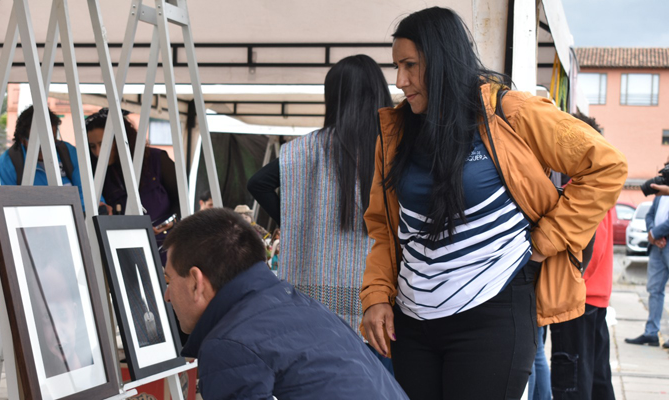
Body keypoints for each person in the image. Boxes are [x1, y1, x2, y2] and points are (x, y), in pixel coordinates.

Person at [360, 7, 627, 399]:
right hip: (412, 322)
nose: (400, 81)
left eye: (411, 65)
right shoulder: (397, 132)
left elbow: (606, 166)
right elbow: (384, 227)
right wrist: (376, 296)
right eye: (397, 66)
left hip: (492, 316)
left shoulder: (509, 112)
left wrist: (546, 239)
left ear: (442, 59)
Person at [161, 208, 408, 400]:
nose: (167, 295)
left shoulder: (228, 346)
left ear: (196, 282)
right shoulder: (299, 305)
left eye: (169, 279)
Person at [247, 55, 393, 351]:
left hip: (317, 308)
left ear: (334, 98)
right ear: (379, 92)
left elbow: (257, 184)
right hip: (380, 299)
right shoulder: (394, 146)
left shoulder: (306, 149)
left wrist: (293, 221)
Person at [547, 114, 616, 399]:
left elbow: (593, 247)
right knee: (595, 378)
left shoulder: (582, 187)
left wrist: (566, 283)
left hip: (578, 299)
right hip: (594, 297)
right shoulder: (601, 184)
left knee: (572, 383)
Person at [85, 108, 180, 254]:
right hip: (126, 253)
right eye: (92, 146)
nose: (99, 152)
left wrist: (168, 223)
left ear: (122, 139)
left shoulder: (157, 159)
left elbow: (181, 199)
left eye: (104, 144)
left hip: (168, 249)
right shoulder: (96, 175)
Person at [0, 105, 94, 210]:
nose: (46, 149)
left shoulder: (68, 152)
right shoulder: (6, 165)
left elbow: (85, 191)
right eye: (39, 144)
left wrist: (96, 205)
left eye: (51, 141)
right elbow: (7, 209)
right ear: (22, 139)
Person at [626, 181, 669, 348]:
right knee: (654, 290)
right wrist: (652, 233)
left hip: (664, 242)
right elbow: (650, 214)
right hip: (657, 246)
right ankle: (651, 333)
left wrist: (655, 233)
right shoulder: (661, 191)